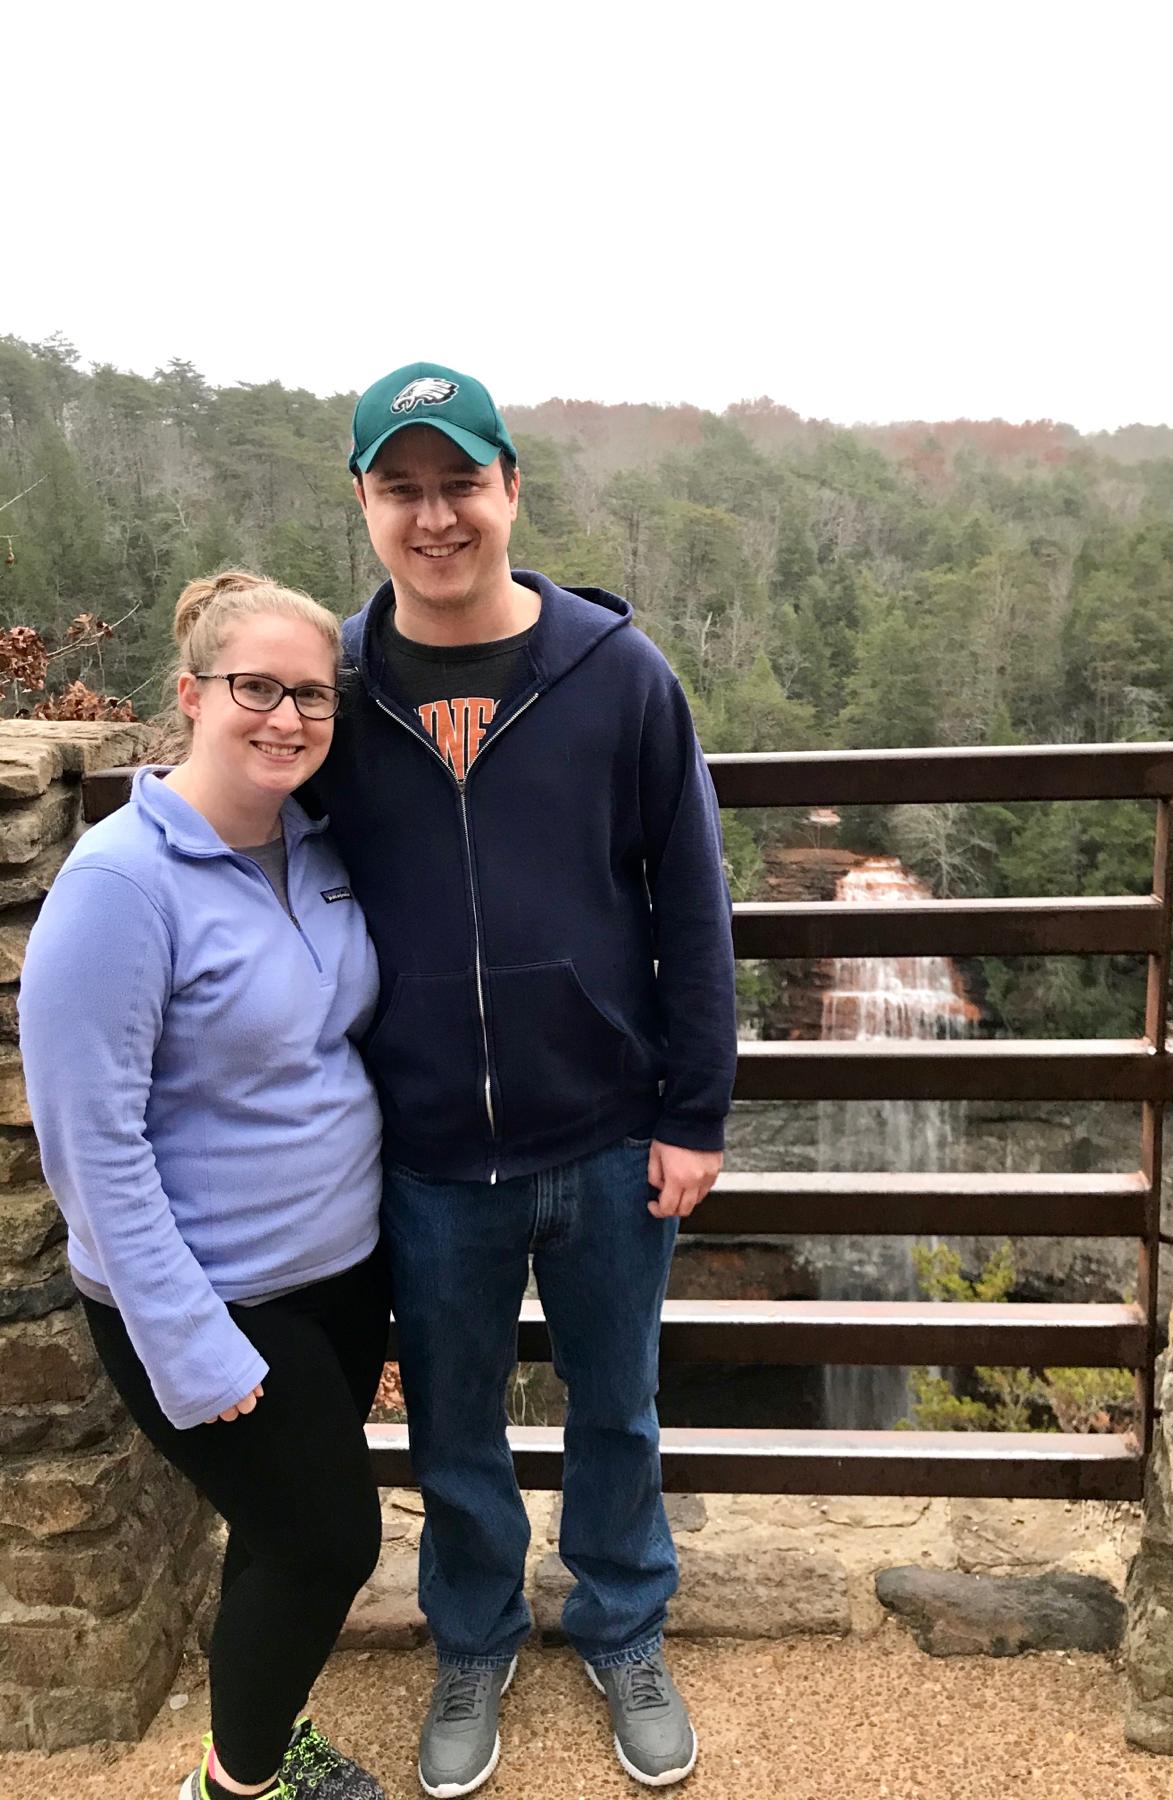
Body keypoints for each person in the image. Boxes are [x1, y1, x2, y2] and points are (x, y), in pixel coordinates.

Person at [305, 361, 738, 1795]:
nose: (435, 517)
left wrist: (693, 1115)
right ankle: (474, 1637)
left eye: (459, 484)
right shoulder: (335, 699)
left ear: (509, 492)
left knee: (618, 1407)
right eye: (401, 487)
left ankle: (622, 1623)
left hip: (610, 1139)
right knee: (452, 1425)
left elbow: (690, 904)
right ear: (365, 502)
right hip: (426, 1153)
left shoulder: (618, 678)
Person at [19, 573, 389, 1800]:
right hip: (209, 1299)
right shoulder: (121, 885)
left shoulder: (316, 847)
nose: (285, 717)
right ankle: (237, 1787)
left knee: (279, 1537)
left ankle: (261, 1741)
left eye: (311, 696)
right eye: (256, 689)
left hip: (335, 1274)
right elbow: (91, 1142)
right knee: (333, 1539)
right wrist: (190, 1343)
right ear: (190, 695)